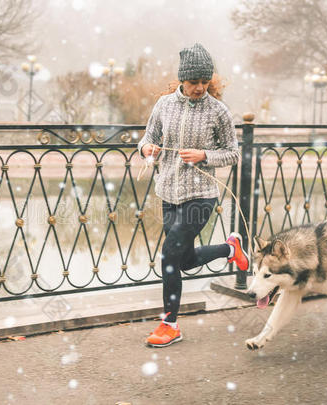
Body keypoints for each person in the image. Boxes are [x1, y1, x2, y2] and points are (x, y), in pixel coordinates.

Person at [137, 43, 249, 348]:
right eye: (194, 82)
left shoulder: (219, 111)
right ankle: (230, 250)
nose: (200, 88)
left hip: (201, 196)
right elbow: (149, 137)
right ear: (182, 80)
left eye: (204, 82)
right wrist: (147, 149)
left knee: (169, 253)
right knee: (183, 260)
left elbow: (233, 154)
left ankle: (169, 324)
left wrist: (204, 156)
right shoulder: (163, 105)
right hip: (168, 193)